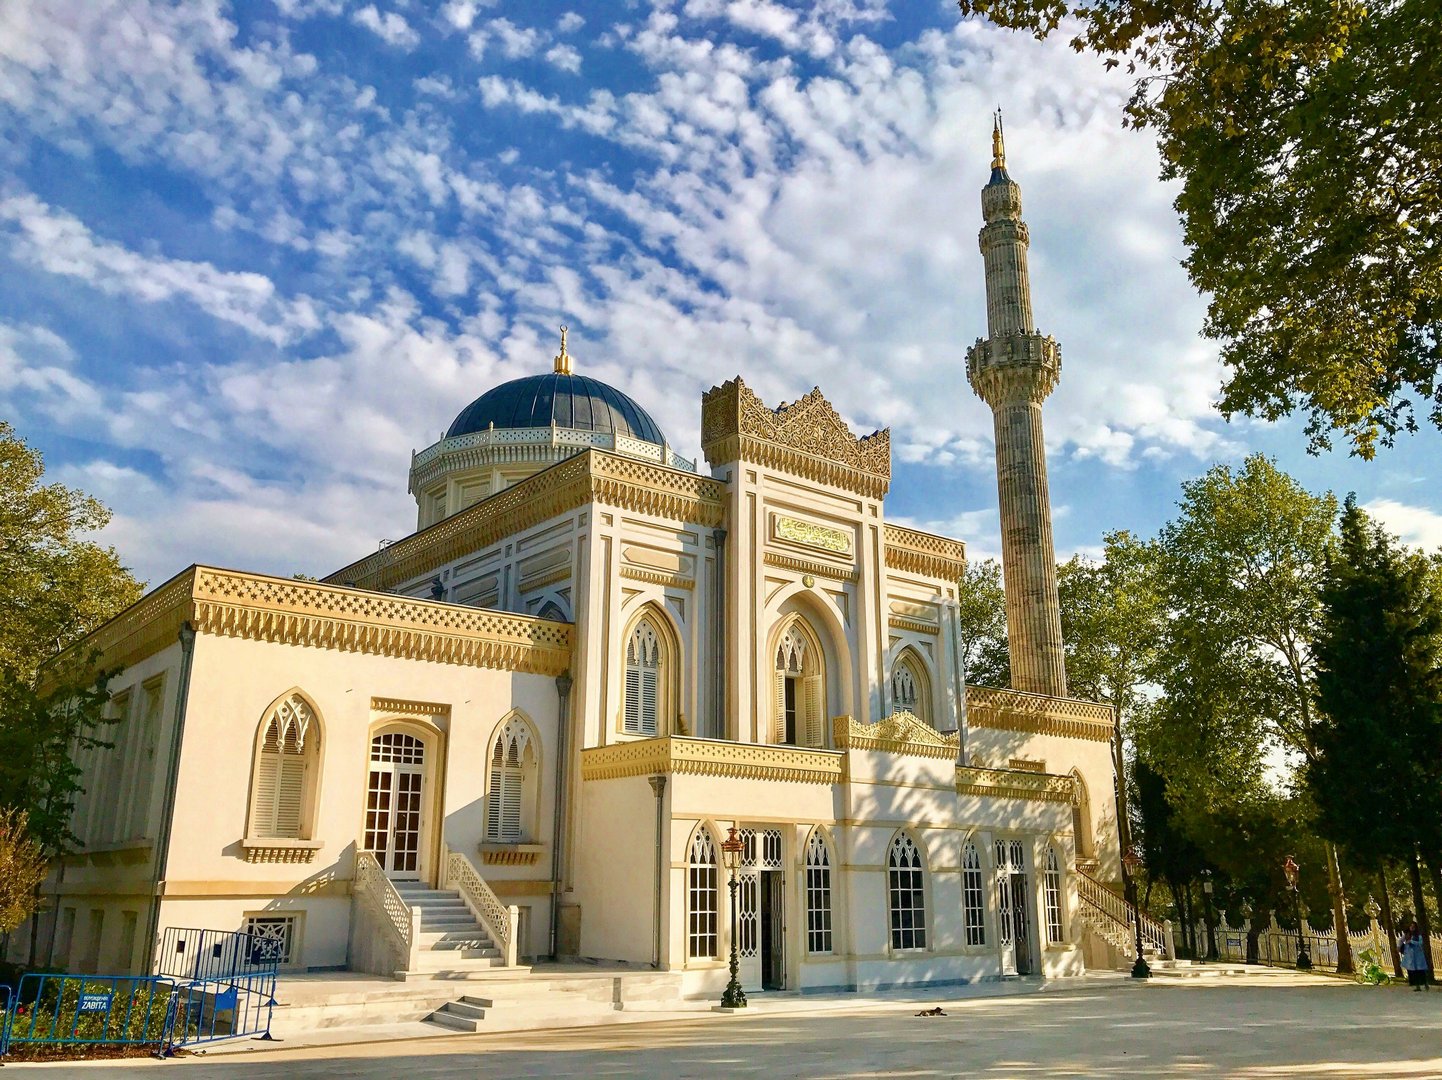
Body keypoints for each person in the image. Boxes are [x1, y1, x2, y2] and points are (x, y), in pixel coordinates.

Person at [1400, 922, 1430, 991]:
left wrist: (1412, 941)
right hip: (1411, 957)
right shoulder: (1407, 935)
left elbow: (1420, 943)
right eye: (1411, 926)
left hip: (1418, 956)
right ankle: (1417, 986)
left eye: (1413, 926)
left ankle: (1425, 984)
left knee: (1421, 971)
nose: (1412, 928)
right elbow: (1401, 941)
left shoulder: (1418, 935)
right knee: (1414, 972)